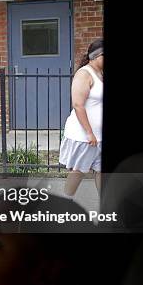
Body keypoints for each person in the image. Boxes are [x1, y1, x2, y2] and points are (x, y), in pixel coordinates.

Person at [59, 38, 104, 198]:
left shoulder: (100, 73)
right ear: (98, 55)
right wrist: (89, 132)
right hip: (85, 136)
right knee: (78, 171)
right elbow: (78, 105)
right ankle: (64, 203)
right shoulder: (84, 74)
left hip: (99, 136)